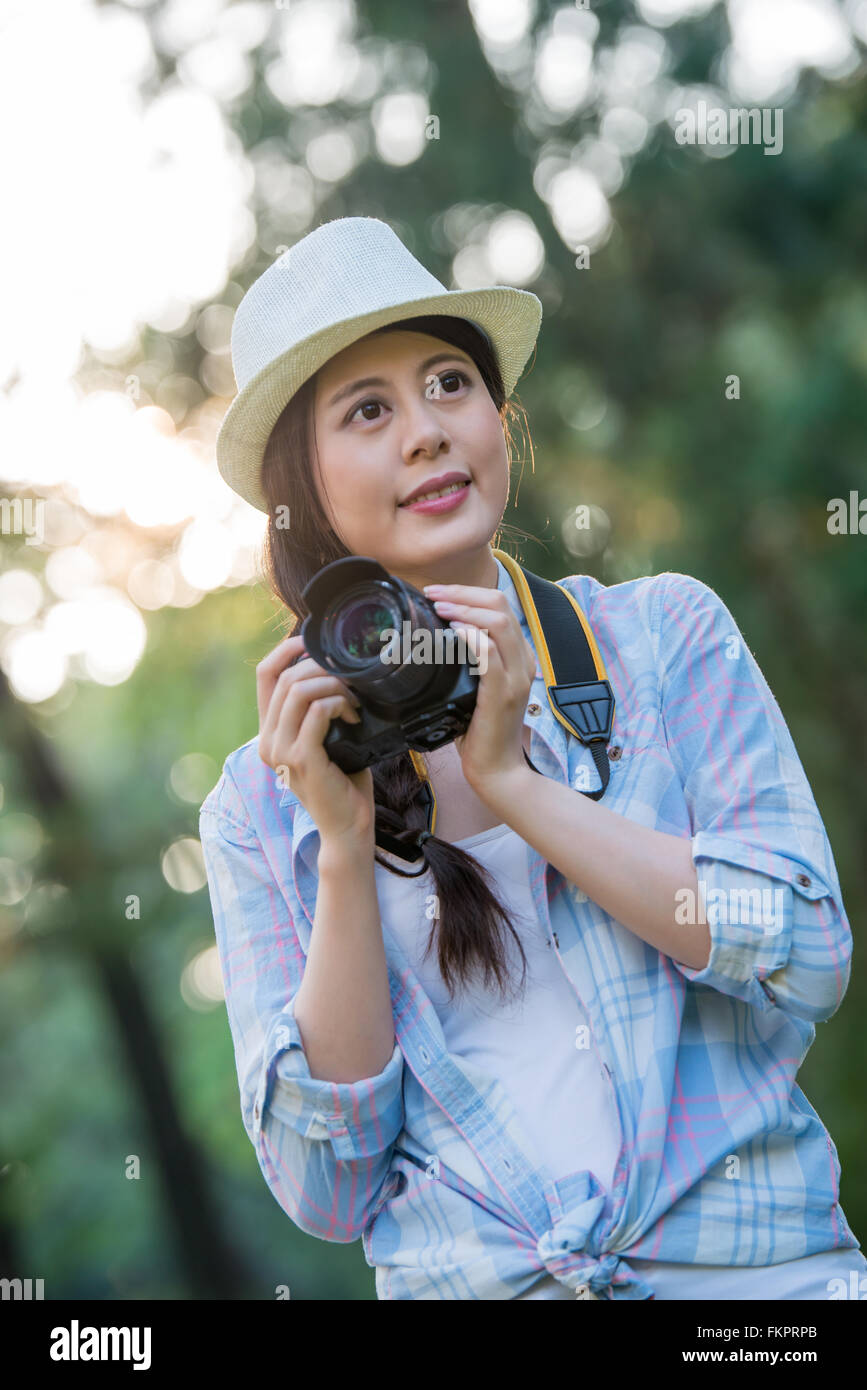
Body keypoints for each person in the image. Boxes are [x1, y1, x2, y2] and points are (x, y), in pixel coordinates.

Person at [199, 216, 867, 1300]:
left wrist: (514, 783)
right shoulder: (255, 803)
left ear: (500, 421)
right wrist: (339, 842)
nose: (426, 431)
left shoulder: (661, 638)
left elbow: (805, 949)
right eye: (368, 410)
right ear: (302, 487)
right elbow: (329, 1187)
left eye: (450, 383)